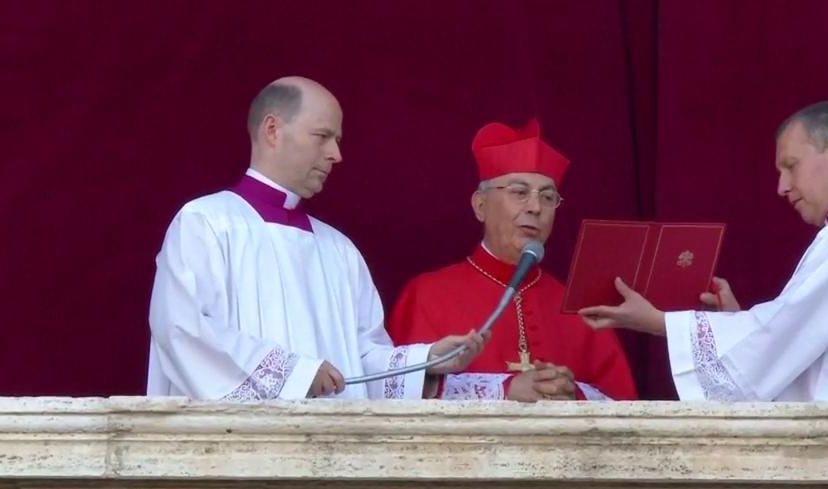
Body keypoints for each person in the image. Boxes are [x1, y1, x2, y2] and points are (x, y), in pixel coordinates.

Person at [147, 76, 484, 401]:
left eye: (337, 140)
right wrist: (295, 374)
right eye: (322, 136)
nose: (336, 154)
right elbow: (182, 330)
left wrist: (423, 364)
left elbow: (361, 360)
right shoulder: (205, 223)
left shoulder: (338, 249)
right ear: (272, 130)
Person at [579, 101, 828, 402]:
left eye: (791, 166)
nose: (783, 187)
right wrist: (734, 321)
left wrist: (660, 323)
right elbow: (807, 343)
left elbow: (785, 334)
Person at [388, 119, 638, 401]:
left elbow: (624, 408)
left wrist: (573, 394)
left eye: (547, 197)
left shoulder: (578, 307)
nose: (535, 207)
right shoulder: (425, 295)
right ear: (480, 206)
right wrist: (504, 391)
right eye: (519, 193)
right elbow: (397, 395)